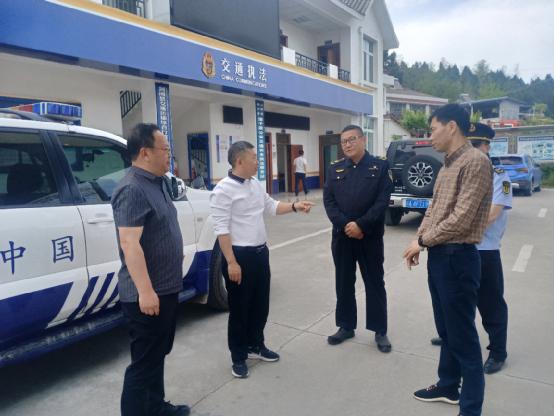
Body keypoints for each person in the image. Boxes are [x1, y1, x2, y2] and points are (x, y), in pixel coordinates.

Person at [403, 105, 493, 416]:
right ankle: (448, 385)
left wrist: (422, 240)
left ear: (451, 126)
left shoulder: (476, 162)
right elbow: (433, 210)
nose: (430, 137)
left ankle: (471, 408)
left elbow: (461, 219)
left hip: (458, 258)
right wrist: (419, 240)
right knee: (446, 331)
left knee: (463, 338)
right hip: (440, 257)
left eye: (433, 129)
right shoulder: (446, 166)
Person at [210, 140, 314, 379]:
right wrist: (231, 262)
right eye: (254, 158)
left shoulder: (255, 184)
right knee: (240, 310)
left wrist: (295, 206)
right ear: (239, 161)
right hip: (239, 257)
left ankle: (256, 345)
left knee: (260, 305)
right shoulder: (223, 190)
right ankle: (238, 356)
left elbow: (271, 207)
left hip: (260, 254)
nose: (258, 162)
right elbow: (221, 230)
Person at [111, 123, 190, 416]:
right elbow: (129, 243)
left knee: (157, 354)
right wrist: (145, 292)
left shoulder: (156, 182)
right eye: (165, 149)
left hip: (165, 288)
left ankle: (156, 407)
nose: (169, 155)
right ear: (145, 152)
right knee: (143, 363)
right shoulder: (132, 188)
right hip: (147, 295)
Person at [430, 122, 512, 375]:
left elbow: (493, 213)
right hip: (454, 250)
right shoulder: (456, 169)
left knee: (490, 304)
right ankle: (451, 337)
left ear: (487, 147)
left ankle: (497, 351)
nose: (471, 150)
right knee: (452, 302)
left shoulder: (498, 175)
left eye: (476, 145)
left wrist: (457, 227)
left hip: (484, 251)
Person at [323, 125, 393, 353]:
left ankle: (379, 330)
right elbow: (329, 202)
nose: (348, 144)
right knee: (343, 282)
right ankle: (346, 326)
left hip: (369, 237)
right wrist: (347, 226)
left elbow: (382, 201)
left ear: (363, 140)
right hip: (342, 237)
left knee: (374, 283)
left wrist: (361, 225)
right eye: (344, 141)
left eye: (352, 139)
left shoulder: (380, 167)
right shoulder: (334, 169)